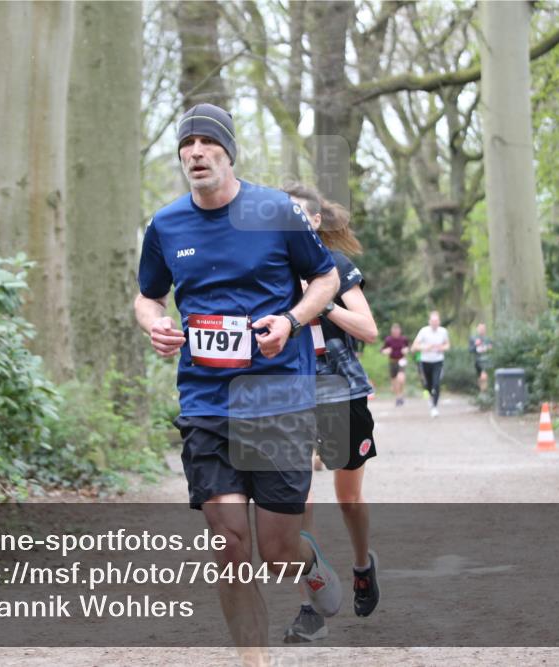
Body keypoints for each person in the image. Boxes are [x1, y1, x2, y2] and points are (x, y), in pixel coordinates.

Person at [134, 103, 342, 663]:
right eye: (187, 144)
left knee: (276, 553)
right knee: (228, 546)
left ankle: (308, 560)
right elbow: (148, 293)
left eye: (207, 142)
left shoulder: (275, 211)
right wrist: (155, 321)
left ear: (228, 152)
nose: (196, 152)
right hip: (206, 400)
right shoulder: (166, 224)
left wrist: (292, 321)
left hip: (276, 397)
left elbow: (325, 276)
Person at [281, 183, 381, 643]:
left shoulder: (337, 267)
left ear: (316, 222)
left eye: (302, 216)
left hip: (340, 390)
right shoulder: (270, 272)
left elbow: (369, 329)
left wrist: (323, 300)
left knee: (348, 498)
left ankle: (362, 566)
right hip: (290, 390)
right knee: (297, 498)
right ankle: (312, 603)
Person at [411, 310, 450, 417]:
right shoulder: (424, 331)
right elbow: (414, 346)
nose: (434, 323)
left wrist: (441, 347)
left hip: (438, 361)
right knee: (427, 384)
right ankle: (430, 397)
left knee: (436, 383)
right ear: (429, 321)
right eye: (433, 321)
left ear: (439, 322)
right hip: (425, 361)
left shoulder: (443, 331)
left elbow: (447, 345)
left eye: (436, 321)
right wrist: (425, 348)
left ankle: (434, 407)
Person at [380, 323, 409, 406]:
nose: (396, 332)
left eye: (397, 330)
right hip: (392, 361)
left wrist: (406, 350)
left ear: (400, 331)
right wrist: (385, 351)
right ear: (391, 331)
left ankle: (401, 395)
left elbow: (408, 347)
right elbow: (382, 350)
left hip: (401, 361)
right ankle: (398, 397)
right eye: (394, 331)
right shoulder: (388, 340)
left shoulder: (404, 339)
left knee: (401, 379)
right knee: (394, 383)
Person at [469, 322, 493, 393]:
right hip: (478, 361)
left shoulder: (488, 339)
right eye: (480, 328)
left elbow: (492, 350)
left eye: (483, 328)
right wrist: (475, 345)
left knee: (484, 376)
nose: (482, 330)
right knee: (480, 378)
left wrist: (490, 348)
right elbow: (470, 350)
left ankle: (484, 392)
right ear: (477, 329)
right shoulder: (473, 338)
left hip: (487, 362)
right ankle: (482, 391)